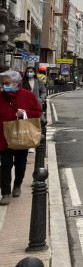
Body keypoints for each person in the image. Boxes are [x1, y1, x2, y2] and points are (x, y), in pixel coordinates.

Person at [0, 70, 42, 205]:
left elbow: (38, 112)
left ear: (16, 83)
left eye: (7, 83)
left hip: (21, 137)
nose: (4, 86)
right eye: (3, 83)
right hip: (3, 138)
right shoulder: (1, 96)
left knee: (20, 164)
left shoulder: (28, 95)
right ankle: (5, 193)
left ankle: (17, 184)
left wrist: (26, 113)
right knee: (5, 166)